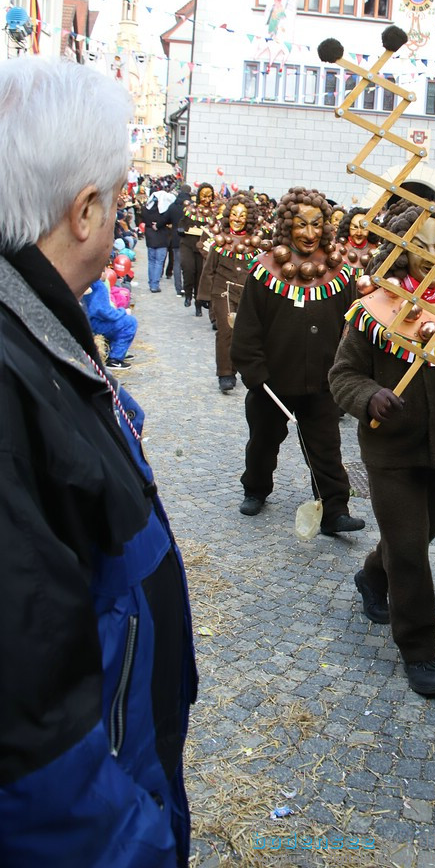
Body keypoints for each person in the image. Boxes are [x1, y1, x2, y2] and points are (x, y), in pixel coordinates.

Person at [0, 57, 197, 865]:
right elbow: (31, 742)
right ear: (83, 213)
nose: (120, 219)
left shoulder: (40, 331)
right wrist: (139, 844)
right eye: (115, 201)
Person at [329, 204, 435, 696]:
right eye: (420, 245)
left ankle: (370, 577)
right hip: (390, 451)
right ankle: (419, 648)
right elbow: (343, 376)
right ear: (400, 250)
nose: (432, 255)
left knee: (420, 536)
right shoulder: (375, 309)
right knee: (409, 548)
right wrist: (369, 397)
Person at [230, 186, 364, 535]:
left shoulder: (341, 273)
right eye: (301, 225)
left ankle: (334, 510)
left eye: (316, 224)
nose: (309, 233)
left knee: (326, 449)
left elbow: (350, 326)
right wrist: (254, 373)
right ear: (288, 226)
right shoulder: (264, 271)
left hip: (320, 383)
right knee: (262, 442)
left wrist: (344, 370)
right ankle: (255, 489)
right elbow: (247, 328)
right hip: (271, 383)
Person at [197, 192, 260, 393]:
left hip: (246, 295)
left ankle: (242, 369)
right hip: (222, 292)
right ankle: (225, 373)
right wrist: (205, 297)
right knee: (226, 331)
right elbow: (209, 270)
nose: (238, 219)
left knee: (245, 334)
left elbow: (261, 273)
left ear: (248, 219)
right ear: (228, 215)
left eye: (242, 215)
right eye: (234, 214)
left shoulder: (256, 244)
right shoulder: (219, 242)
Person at [82, 269, 138, 369]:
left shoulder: (83, 281)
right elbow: (105, 312)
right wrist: (123, 312)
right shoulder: (98, 285)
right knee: (130, 322)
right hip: (95, 323)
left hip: (84, 320)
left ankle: (114, 351)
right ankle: (115, 359)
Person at [179, 182, 215, 314]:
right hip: (188, 244)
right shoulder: (190, 209)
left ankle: (198, 303)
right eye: (204, 196)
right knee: (188, 269)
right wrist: (181, 229)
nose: (207, 199)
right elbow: (181, 224)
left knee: (200, 275)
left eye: (209, 196)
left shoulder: (214, 213)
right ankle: (188, 293)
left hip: (203, 248)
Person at [141, 187, 173, 293]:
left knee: (151, 261)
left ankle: (151, 282)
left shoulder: (146, 209)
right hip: (162, 237)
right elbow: (166, 220)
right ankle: (155, 284)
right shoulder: (164, 211)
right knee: (159, 262)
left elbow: (144, 218)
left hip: (150, 237)